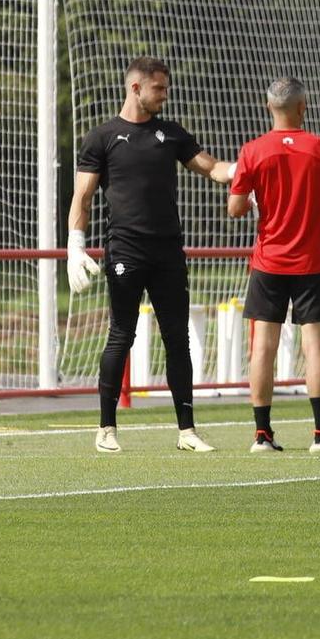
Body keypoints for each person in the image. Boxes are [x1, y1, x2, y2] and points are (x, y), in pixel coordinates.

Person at [68, 56, 233, 453]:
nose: (165, 95)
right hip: (126, 250)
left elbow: (212, 169)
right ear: (136, 88)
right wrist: (75, 246)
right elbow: (83, 196)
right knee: (121, 335)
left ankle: (187, 431)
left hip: (168, 252)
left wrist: (253, 170)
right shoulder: (102, 137)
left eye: (166, 88)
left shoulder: (172, 134)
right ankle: (106, 428)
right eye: (158, 88)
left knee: (177, 339)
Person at [226, 77, 320, 453]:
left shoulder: (253, 151)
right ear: (303, 108)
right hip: (310, 263)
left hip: (268, 262)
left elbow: (235, 208)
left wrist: (258, 199)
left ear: (268, 107)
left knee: (263, 348)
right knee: (316, 349)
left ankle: (262, 435)